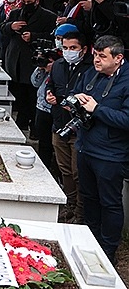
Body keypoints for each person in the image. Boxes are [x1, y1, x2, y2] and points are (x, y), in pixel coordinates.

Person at [71, 35, 129, 264]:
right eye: (95, 54)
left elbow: (126, 120)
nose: (96, 59)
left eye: (102, 56)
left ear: (118, 58)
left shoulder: (126, 80)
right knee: (89, 198)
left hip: (111, 154)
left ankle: (107, 250)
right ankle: (90, 240)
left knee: (110, 203)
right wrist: (74, 99)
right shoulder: (91, 73)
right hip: (86, 147)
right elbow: (74, 93)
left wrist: (97, 109)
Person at [46, 29, 92, 224]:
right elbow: (52, 85)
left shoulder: (91, 69)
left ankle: (81, 213)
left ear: (83, 49)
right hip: (59, 124)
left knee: (78, 172)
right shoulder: (58, 65)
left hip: (79, 128)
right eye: (65, 48)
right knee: (64, 170)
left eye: (73, 48)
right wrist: (50, 94)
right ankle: (70, 206)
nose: (68, 51)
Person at [1, 0, 57, 131]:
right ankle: (21, 121)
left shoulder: (48, 16)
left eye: (29, 2)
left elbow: (52, 37)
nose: (26, 4)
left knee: (32, 95)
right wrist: (11, 26)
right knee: (18, 92)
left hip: (33, 60)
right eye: (24, 2)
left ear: (37, 1)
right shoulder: (15, 13)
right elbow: (2, 28)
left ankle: (33, 126)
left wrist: (34, 36)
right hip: (15, 59)